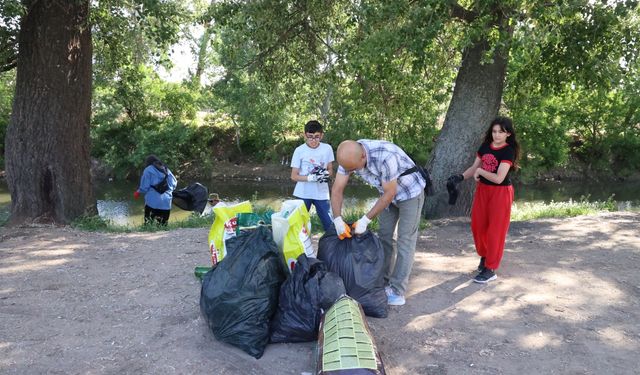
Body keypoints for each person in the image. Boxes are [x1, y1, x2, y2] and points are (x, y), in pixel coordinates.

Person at [331, 140, 426, 306]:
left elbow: (390, 193)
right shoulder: (347, 158)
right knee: (384, 237)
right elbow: (337, 189)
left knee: (405, 240)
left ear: (363, 156)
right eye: (349, 169)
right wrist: (337, 219)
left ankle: (397, 290)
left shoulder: (386, 156)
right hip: (387, 194)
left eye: (354, 169)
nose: (352, 172)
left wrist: (365, 219)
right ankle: (383, 280)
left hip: (410, 193)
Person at [447, 116, 520, 284]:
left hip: (500, 193)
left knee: (496, 231)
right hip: (483, 191)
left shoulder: (508, 150)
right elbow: (474, 168)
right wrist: (460, 177)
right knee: (478, 226)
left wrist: (481, 172)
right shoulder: (486, 146)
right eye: (494, 131)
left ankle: (491, 268)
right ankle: (485, 256)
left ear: (508, 134)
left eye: (501, 132)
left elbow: (499, 178)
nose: (496, 135)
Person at [290, 120, 335, 232]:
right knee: (299, 226)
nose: (313, 140)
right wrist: (310, 178)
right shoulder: (299, 151)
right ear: (305, 135)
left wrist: (325, 175)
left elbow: (330, 170)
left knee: (329, 224)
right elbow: (294, 176)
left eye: (317, 137)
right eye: (310, 137)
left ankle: (332, 246)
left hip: (321, 193)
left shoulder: (327, 149)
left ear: (322, 135)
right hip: (303, 193)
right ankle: (301, 248)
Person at [134, 155, 178, 225]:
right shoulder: (166, 169)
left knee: (148, 224)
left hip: (152, 203)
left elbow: (145, 187)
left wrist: (138, 191)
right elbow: (174, 184)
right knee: (163, 226)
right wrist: (167, 191)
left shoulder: (148, 170)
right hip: (166, 203)